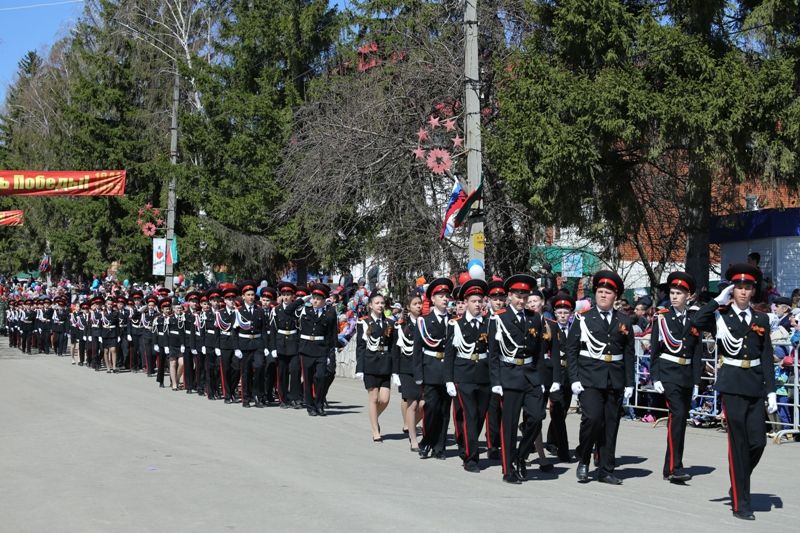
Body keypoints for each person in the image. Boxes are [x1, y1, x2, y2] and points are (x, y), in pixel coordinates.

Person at [692, 263, 777, 520]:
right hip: (731, 384)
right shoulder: (721, 316)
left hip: (754, 383)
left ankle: (738, 479)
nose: (742, 292)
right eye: (738, 287)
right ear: (732, 290)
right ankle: (741, 502)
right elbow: (696, 322)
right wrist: (716, 301)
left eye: (747, 288)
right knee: (738, 444)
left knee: (758, 442)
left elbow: (766, 356)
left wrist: (771, 390)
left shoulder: (761, 319)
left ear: (753, 291)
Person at [567, 270, 635, 485]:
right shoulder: (584, 319)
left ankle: (606, 468)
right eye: (600, 291)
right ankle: (584, 459)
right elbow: (572, 350)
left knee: (611, 424)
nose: (603, 295)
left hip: (614, 378)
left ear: (616, 297)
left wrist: (630, 382)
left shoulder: (623, 320)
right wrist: (574, 378)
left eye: (607, 292)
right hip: (589, 377)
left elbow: (628, 353)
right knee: (593, 419)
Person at [488, 274, 546, 484]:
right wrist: (495, 382)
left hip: (530, 375)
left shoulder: (535, 318)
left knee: (537, 417)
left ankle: (520, 455)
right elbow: (493, 354)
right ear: (509, 296)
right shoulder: (499, 318)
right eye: (517, 296)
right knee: (510, 425)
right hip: (509, 375)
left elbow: (539, 352)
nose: (521, 301)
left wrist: (542, 380)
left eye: (525, 296)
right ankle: (508, 469)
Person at [649, 272, 704, 484]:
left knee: (679, 420)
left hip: (687, 375)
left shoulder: (694, 319)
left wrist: (697, 381)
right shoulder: (662, 317)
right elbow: (655, 350)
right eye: (672, 293)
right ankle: (675, 467)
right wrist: (656, 377)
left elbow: (697, 352)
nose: (674, 297)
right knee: (678, 415)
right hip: (668, 373)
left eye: (678, 293)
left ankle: (669, 466)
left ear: (688, 296)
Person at [444, 279, 491, 473]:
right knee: (470, 416)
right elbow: (449, 355)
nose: (478, 304)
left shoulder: (489, 325)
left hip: (484, 375)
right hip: (463, 375)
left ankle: (466, 444)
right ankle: (471, 458)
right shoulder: (456, 325)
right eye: (473, 301)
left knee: (479, 417)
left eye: (480, 301)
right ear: (465, 303)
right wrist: (449, 379)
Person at [413, 278, 454, 460]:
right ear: (433, 299)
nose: (445, 299)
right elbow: (417, 350)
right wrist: (419, 374)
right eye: (440, 296)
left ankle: (440, 447)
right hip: (430, 369)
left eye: (446, 296)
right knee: (431, 409)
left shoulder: (454, 321)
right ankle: (426, 441)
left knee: (445, 411)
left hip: (449, 370)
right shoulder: (424, 321)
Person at [356, 291, 395, 441]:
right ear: (370, 305)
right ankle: (375, 431)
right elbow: (360, 347)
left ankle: (374, 418)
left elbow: (392, 347)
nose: (380, 305)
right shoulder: (364, 322)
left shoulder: (390, 323)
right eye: (377, 303)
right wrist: (360, 368)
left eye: (382, 303)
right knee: (373, 398)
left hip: (385, 363)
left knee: (384, 399)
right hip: (370, 362)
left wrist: (395, 369)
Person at [545, 293, 576, 463]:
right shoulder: (551, 328)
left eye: (566, 313)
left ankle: (550, 440)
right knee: (556, 409)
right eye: (560, 313)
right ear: (555, 313)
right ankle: (563, 450)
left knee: (562, 411)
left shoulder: (574, 328)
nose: (563, 316)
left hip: (569, 375)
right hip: (555, 374)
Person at [298, 283, 337, 416]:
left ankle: (319, 404)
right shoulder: (304, 310)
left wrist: (332, 350)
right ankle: (310, 406)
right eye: (313, 297)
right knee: (308, 379)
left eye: (318, 298)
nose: (315, 301)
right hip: (307, 349)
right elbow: (289, 310)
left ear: (324, 300)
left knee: (321, 377)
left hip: (321, 349)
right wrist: (304, 298)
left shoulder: (330, 313)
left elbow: (332, 334)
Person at [392, 294, 424, 451]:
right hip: (407, 369)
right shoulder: (401, 325)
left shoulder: (426, 322)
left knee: (424, 404)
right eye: (415, 304)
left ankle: (411, 426)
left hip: (424, 369)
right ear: (408, 307)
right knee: (412, 404)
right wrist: (395, 373)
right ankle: (413, 440)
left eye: (420, 303)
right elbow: (396, 351)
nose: (419, 306)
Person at [270, 282, 305, 409]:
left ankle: (295, 398)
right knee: (282, 373)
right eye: (284, 295)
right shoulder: (276, 309)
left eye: (288, 295)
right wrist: (273, 348)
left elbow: (301, 329)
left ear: (293, 296)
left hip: (294, 342)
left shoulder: (297, 310)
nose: (286, 297)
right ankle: (283, 398)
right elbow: (273, 330)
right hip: (280, 343)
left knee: (295, 371)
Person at [234, 281, 268, 408]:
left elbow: (264, 330)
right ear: (243, 296)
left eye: (252, 294)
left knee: (259, 368)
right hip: (244, 345)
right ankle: (246, 398)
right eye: (248, 295)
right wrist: (236, 348)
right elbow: (234, 332)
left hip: (258, 344)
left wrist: (265, 347)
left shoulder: (260, 311)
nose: (251, 297)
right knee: (246, 372)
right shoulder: (239, 311)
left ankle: (258, 396)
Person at [485, 279, 506, 460]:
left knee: (503, 407)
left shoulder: (506, 317)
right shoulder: (485, 318)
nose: (498, 301)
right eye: (495, 298)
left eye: (501, 298)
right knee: (492, 408)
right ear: (489, 299)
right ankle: (492, 443)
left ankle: (501, 440)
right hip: (487, 369)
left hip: (504, 366)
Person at [217, 284, 240, 403]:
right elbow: (217, 332)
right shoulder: (220, 313)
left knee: (236, 369)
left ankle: (232, 390)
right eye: (229, 299)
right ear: (225, 301)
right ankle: (227, 395)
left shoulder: (238, 313)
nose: (231, 301)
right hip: (224, 343)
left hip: (236, 344)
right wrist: (217, 346)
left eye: (233, 299)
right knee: (225, 370)